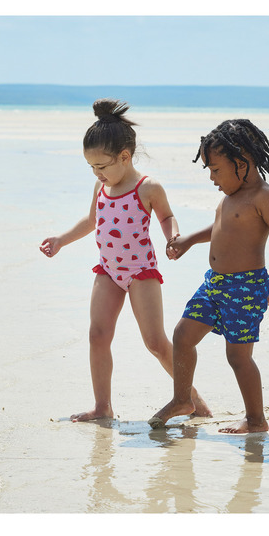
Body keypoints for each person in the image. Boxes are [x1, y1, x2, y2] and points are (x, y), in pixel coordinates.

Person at [40, 99, 212, 422]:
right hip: (107, 270)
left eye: (102, 167)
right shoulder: (100, 187)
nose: (98, 174)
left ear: (125, 156)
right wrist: (61, 240)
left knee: (156, 342)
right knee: (97, 335)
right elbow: (92, 221)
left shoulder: (146, 187)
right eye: (92, 168)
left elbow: (167, 217)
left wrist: (172, 237)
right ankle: (102, 406)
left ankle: (193, 399)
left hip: (140, 272)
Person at [148, 119, 269, 433]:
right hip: (213, 284)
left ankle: (256, 419)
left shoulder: (264, 198)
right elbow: (219, 230)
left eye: (216, 169)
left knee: (238, 356)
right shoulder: (230, 197)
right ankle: (182, 399)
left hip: (245, 288)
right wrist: (188, 239)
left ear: (243, 160)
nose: (213, 178)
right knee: (182, 336)